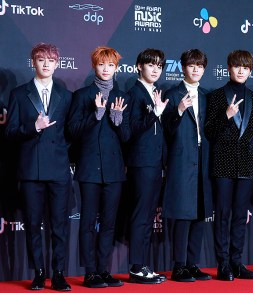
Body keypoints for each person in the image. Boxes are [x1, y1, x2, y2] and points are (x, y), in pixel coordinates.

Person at [5, 43, 72, 291]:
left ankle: (59, 273)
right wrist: (33, 128)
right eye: (41, 59)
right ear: (33, 62)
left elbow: (70, 134)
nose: (46, 64)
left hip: (58, 169)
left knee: (59, 225)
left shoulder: (66, 96)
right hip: (30, 169)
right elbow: (10, 133)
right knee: (33, 224)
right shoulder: (19, 94)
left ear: (57, 63)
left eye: (50, 60)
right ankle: (39, 273)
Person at [68, 46, 129, 288]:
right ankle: (90, 272)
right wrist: (96, 115)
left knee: (109, 223)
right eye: (102, 65)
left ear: (116, 68)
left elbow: (127, 137)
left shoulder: (123, 96)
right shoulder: (82, 95)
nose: (106, 69)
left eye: (110, 65)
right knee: (87, 222)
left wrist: (117, 121)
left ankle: (104, 270)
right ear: (94, 66)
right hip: (89, 169)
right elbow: (72, 130)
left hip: (114, 170)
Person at [205, 50, 253, 281]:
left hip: (247, 164)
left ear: (250, 71)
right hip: (222, 162)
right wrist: (226, 116)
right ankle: (223, 264)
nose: (241, 71)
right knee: (224, 214)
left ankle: (237, 262)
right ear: (229, 68)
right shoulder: (217, 96)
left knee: (240, 215)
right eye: (237, 66)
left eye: (245, 68)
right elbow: (209, 131)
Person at [162, 49, 213, 282]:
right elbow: (165, 131)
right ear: (183, 67)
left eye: (200, 66)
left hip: (203, 157)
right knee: (183, 215)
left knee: (201, 213)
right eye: (192, 65)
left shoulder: (206, 96)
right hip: (181, 158)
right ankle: (179, 266)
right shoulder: (172, 94)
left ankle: (193, 264)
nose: (196, 69)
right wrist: (179, 111)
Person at [125, 48, 168, 284]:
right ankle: (136, 267)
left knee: (149, 215)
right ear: (139, 66)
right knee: (141, 215)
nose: (155, 69)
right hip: (141, 163)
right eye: (150, 65)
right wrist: (154, 114)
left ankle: (142, 265)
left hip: (155, 163)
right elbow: (130, 130)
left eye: (159, 66)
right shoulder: (134, 94)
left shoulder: (155, 93)